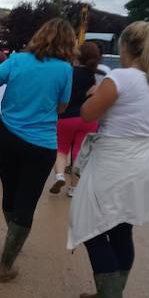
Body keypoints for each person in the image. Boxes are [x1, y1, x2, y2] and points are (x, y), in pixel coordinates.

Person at [68, 21, 149, 298]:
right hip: (141, 161)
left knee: (91, 227)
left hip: (112, 163)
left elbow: (87, 113)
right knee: (121, 230)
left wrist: (96, 92)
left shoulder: (118, 78)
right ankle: (108, 294)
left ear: (125, 48)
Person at [0, 18, 75, 281]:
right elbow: (62, 107)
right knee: (27, 202)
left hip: (8, 137)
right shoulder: (65, 69)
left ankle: (13, 236)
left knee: (10, 194)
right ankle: (7, 263)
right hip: (41, 145)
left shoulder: (18, 60)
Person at [50, 42, 101, 196]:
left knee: (61, 149)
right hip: (89, 119)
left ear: (77, 55)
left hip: (66, 117)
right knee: (80, 153)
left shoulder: (68, 71)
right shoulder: (97, 75)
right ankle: (74, 188)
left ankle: (59, 175)